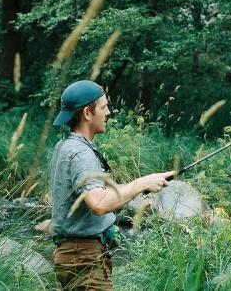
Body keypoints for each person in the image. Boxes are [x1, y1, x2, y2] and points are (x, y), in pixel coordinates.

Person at [50, 80, 174, 290]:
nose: (108, 112)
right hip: (84, 259)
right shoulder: (81, 154)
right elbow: (98, 203)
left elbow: (97, 195)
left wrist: (146, 183)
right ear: (87, 113)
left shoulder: (66, 145)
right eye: (103, 107)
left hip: (76, 255)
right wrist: (142, 182)